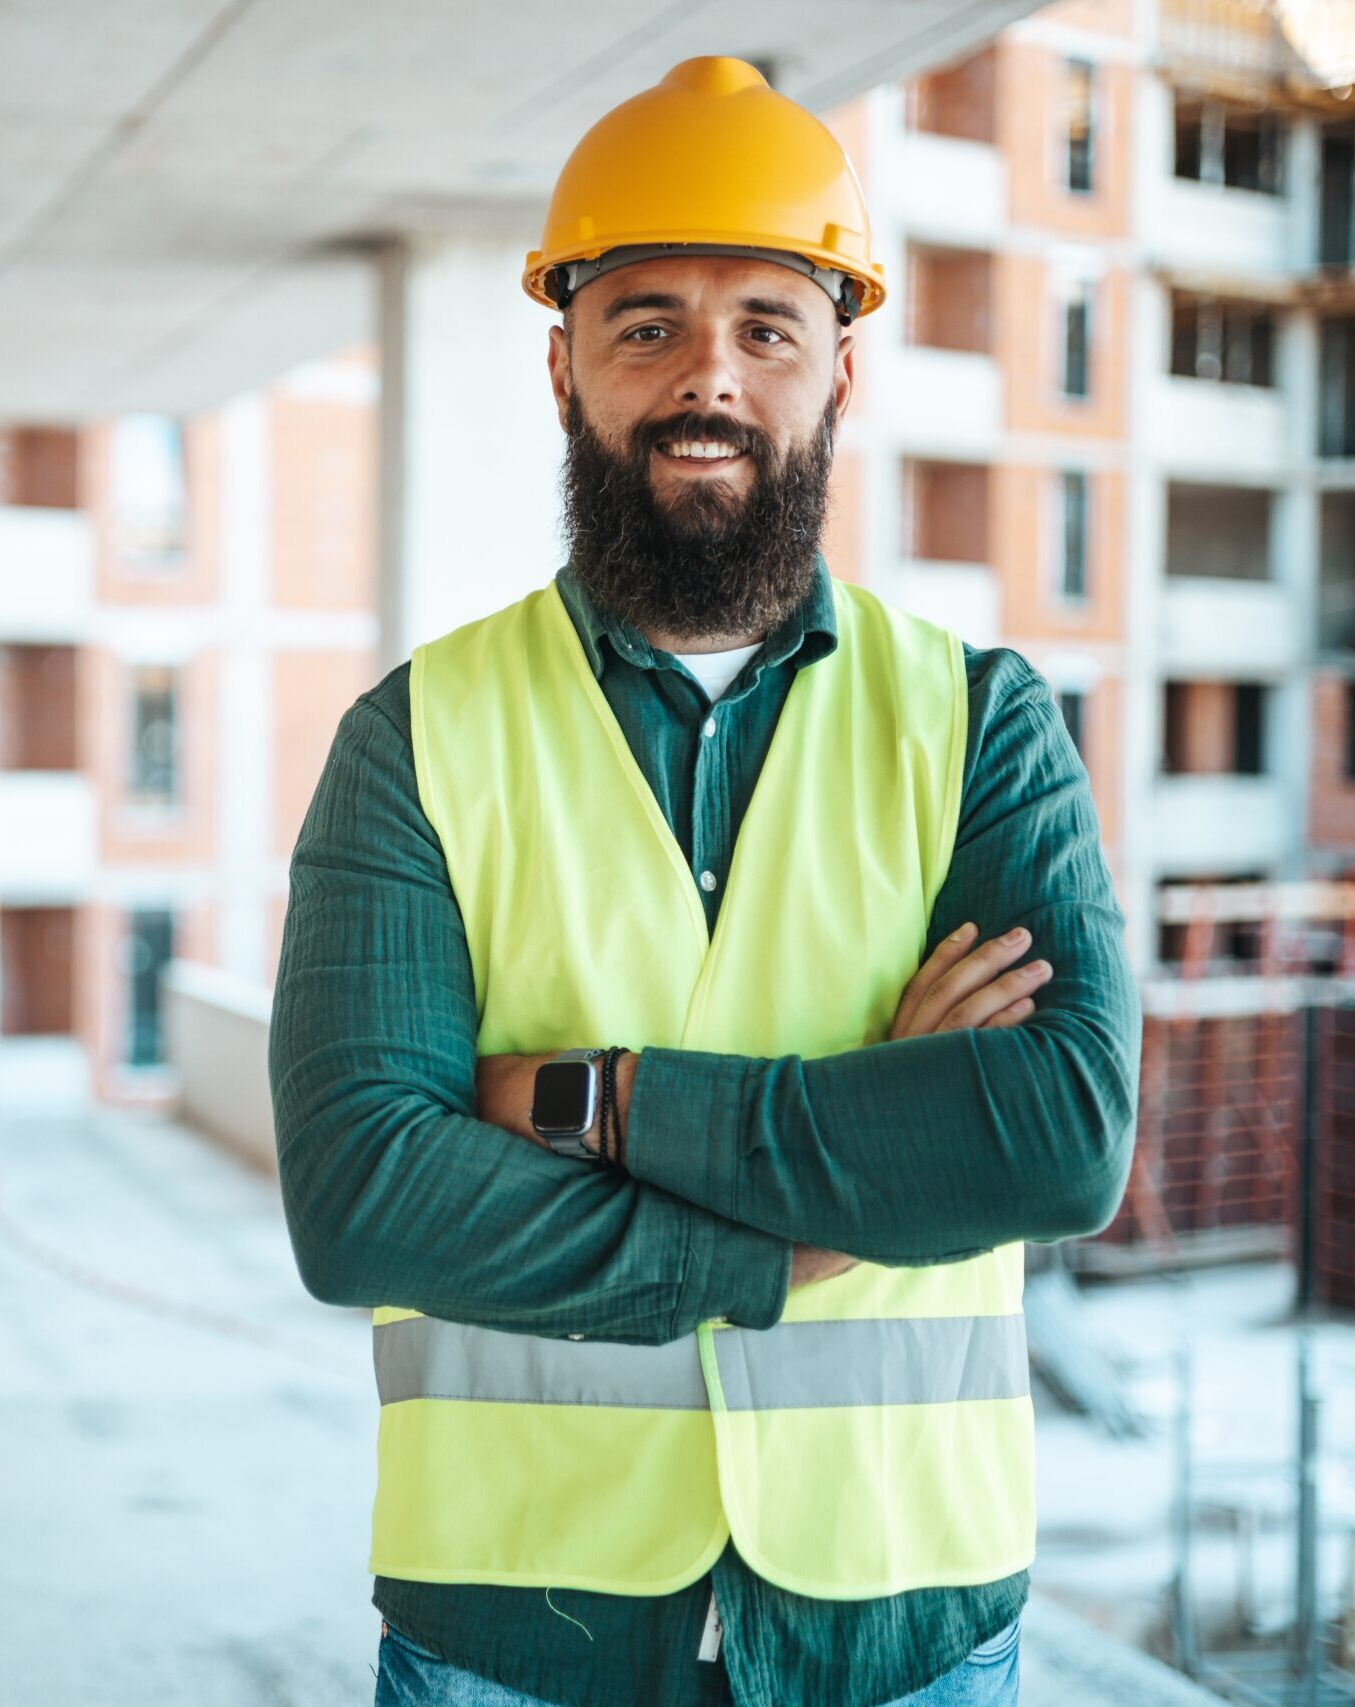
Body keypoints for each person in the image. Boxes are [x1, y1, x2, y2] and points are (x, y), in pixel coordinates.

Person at [270, 57, 1141, 1707]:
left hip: (904, 1625)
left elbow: (1058, 1133)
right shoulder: (418, 739)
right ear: (562, 366)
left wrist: (584, 1100)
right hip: (520, 1630)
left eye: (766, 326)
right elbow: (362, 1192)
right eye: (647, 322)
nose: (707, 378)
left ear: (840, 369)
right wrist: (804, 1214)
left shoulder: (977, 721)